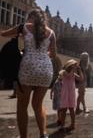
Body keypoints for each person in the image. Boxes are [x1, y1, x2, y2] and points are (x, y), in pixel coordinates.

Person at [1, 8, 57, 138]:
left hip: (28, 68)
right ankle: (43, 134)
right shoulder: (51, 33)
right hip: (45, 71)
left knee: (22, 106)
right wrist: (41, 54)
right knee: (38, 105)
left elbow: (4, 34)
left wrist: (21, 39)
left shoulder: (24, 27)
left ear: (31, 17)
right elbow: (53, 54)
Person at [59, 59, 83, 131]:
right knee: (64, 109)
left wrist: (80, 70)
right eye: (74, 65)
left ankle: (72, 125)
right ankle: (62, 125)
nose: (75, 67)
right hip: (65, 93)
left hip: (71, 94)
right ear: (70, 65)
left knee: (71, 109)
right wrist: (73, 69)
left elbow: (81, 79)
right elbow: (65, 76)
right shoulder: (64, 72)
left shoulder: (73, 73)